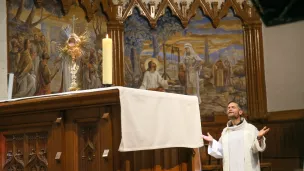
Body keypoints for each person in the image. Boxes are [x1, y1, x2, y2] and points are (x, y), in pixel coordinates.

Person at [202, 101, 270, 171]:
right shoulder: (225, 131)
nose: (230, 109)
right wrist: (212, 142)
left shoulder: (250, 129)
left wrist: (259, 138)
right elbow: (221, 151)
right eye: (228, 108)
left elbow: (255, 149)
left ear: (240, 112)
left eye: (233, 107)